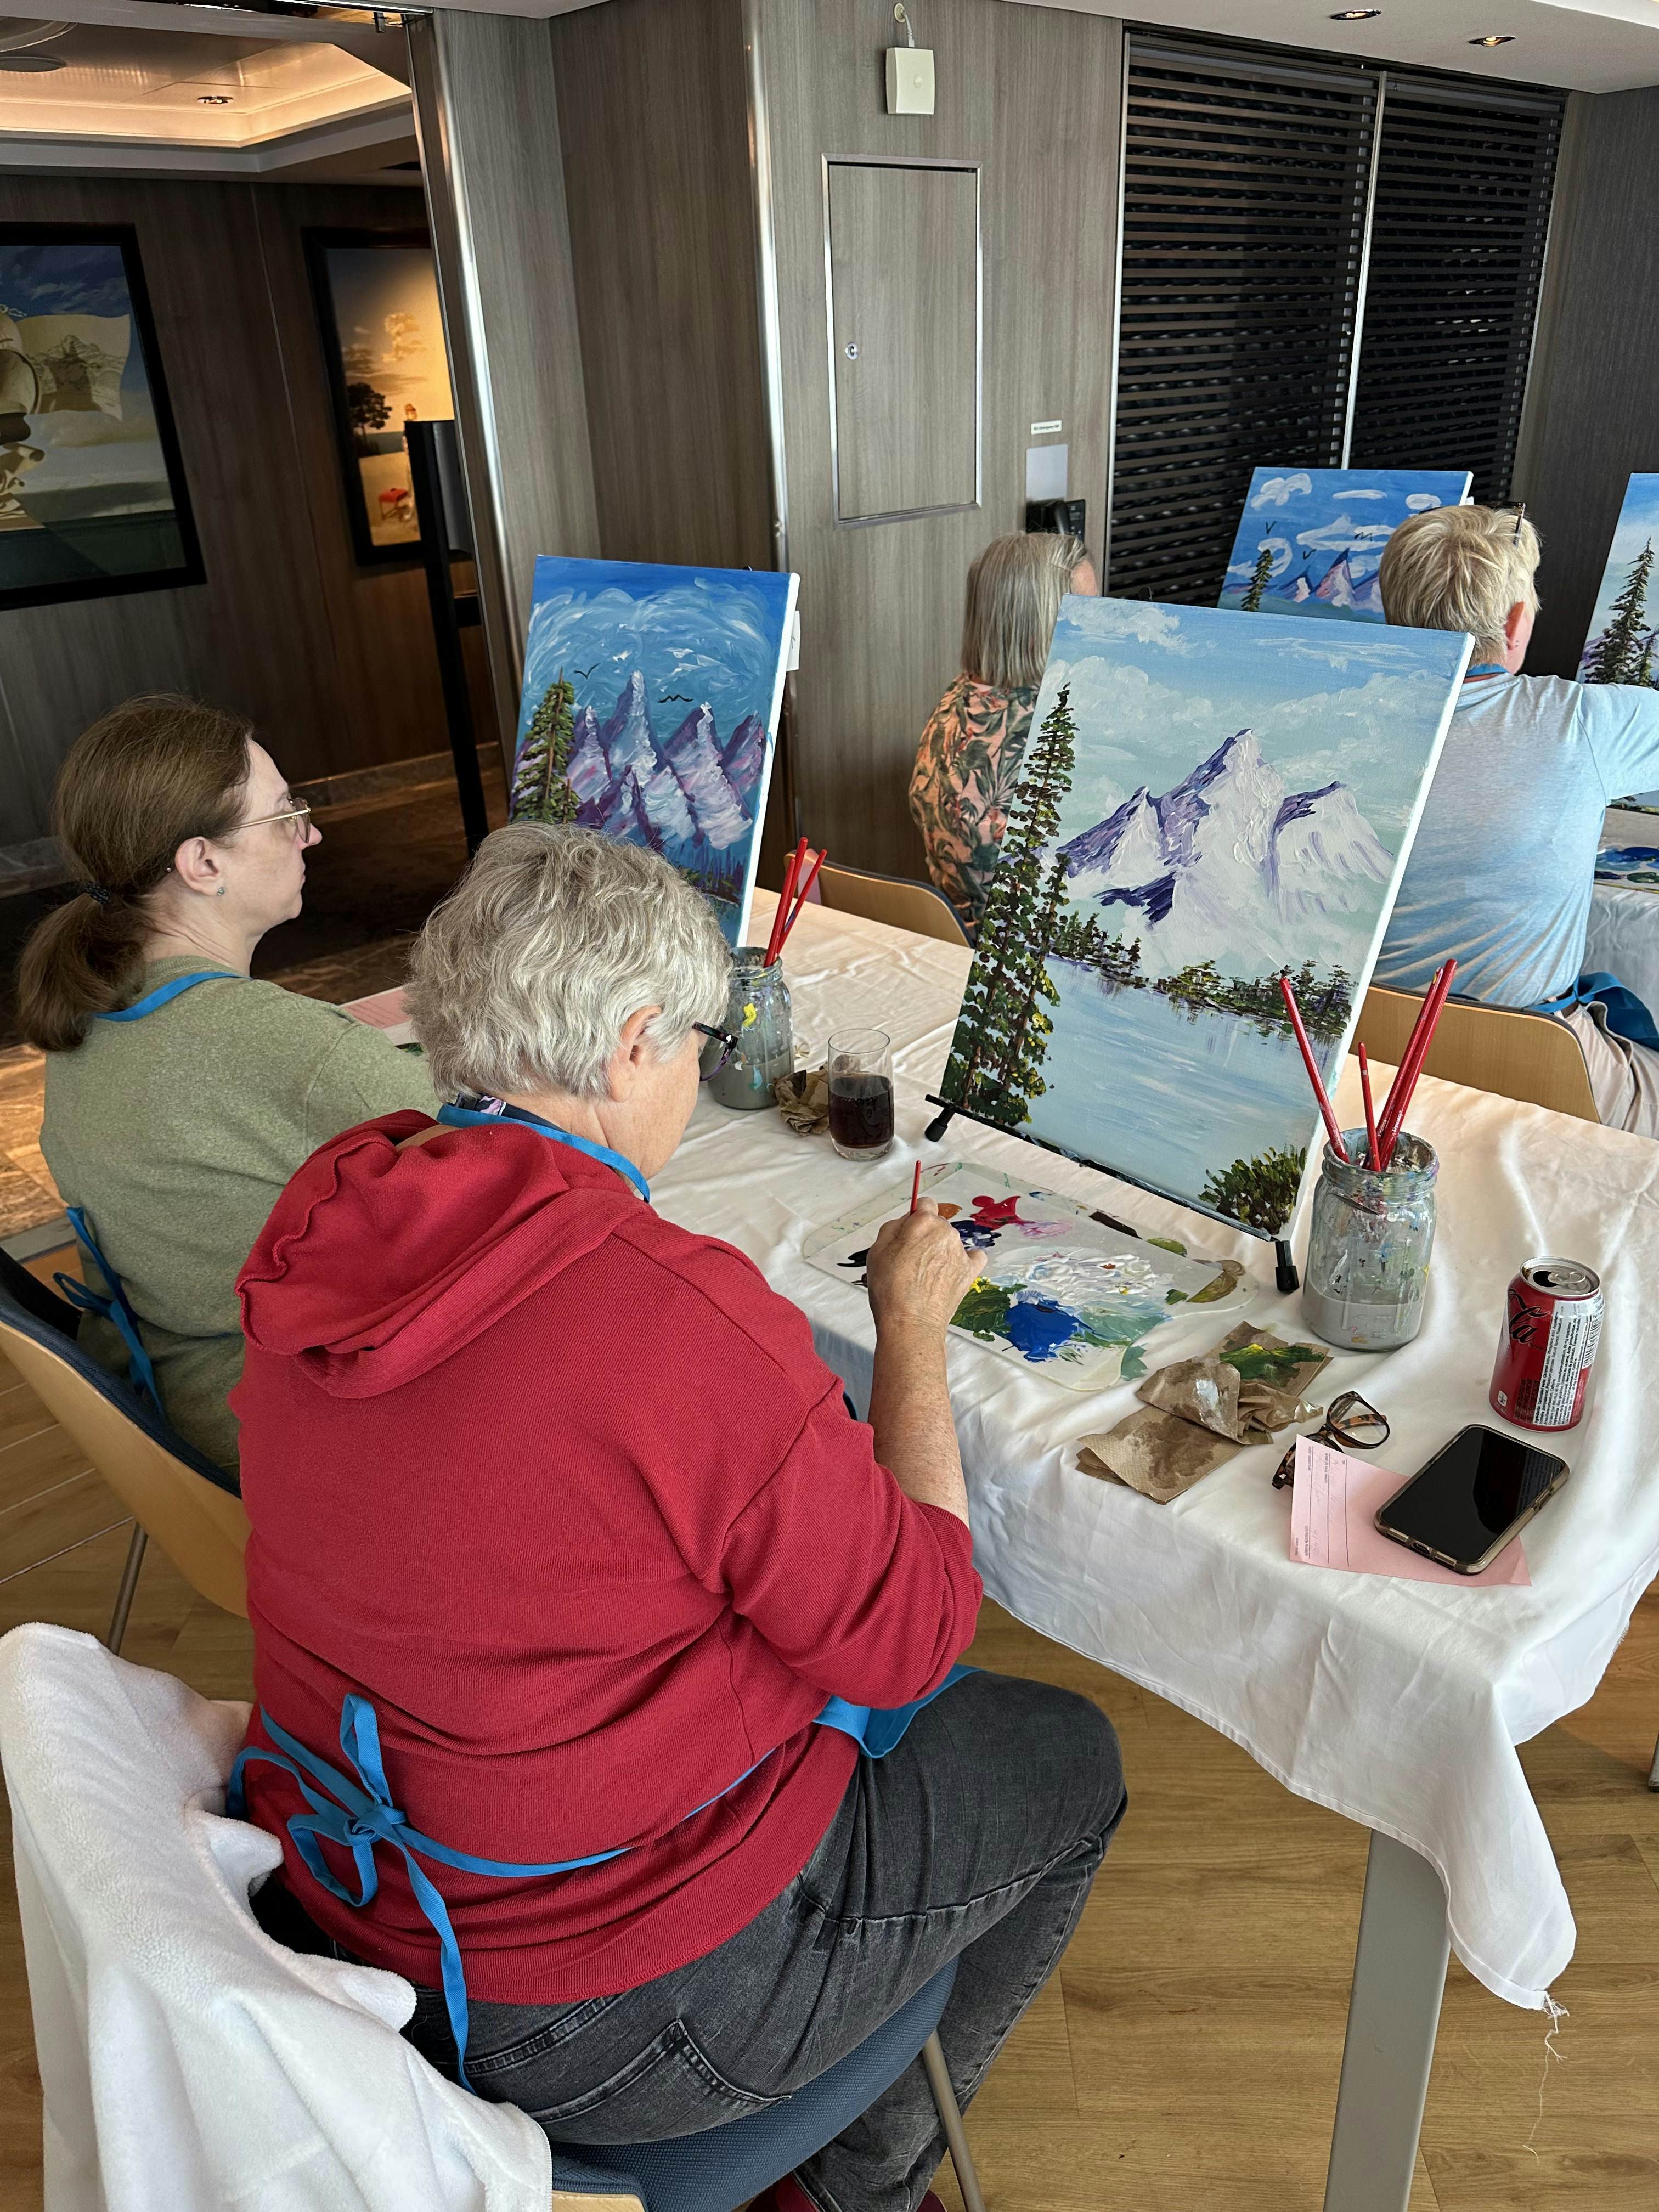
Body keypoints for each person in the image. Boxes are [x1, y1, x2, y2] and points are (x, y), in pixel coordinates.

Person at [233, 823, 1124, 2212]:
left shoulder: (331, 1216)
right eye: (703, 1042)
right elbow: (917, 1640)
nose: (705, 1071)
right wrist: (910, 1333)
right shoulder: (676, 1318)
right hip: (591, 2014)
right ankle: (859, 2191)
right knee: (1066, 1756)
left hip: (346, 1904)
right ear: (634, 1043)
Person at [16, 695, 436, 1474]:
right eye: (285, 814)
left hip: (176, 1404)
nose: (310, 833)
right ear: (202, 862)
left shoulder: (92, 1013)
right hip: (285, 1437)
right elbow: (512, 1139)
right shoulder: (270, 1044)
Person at [1375, 504, 1659, 1134]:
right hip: (1536, 1066)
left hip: (1371, 1054)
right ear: (1513, 621)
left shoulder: (1343, 719)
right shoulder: (1583, 721)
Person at [910, 531, 1099, 929]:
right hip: (1011, 964)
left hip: (956, 944)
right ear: (1035, 626)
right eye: (1086, 617)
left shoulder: (960, 701)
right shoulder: (1042, 729)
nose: (1099, 633)